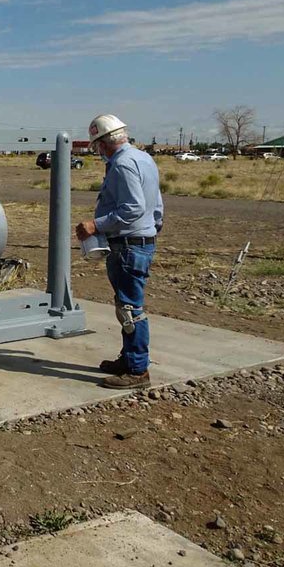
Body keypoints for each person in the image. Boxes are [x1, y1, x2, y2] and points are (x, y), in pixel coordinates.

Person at [75, 114, 164, 390]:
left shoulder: (122, 165)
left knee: (130, 309)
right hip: (138, 242)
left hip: (127, 245)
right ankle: (129, 360)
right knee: (126, 304)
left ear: (102, 143)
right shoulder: (143, 159)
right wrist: (151, 230)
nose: (96, 151)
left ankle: (137, 370)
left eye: (96, 145)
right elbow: (155, 206)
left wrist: (94, 225)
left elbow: (133, 208)